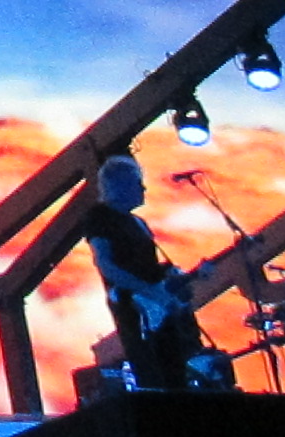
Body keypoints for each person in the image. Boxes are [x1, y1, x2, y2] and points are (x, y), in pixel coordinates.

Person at [82, 153, 203, 391]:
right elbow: (106, 265)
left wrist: (180, 277)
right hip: (133, 306)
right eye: (138, 183)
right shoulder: (99, 217)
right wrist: (149, 292)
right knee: (151, 369)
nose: (143, 188)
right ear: (120, 185)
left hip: (157, 305)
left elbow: (151, 269)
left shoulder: (139, 223)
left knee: (175, 369)